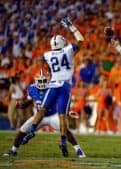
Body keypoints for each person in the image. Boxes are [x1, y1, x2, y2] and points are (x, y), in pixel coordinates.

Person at [21, 18, 84, 157]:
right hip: (64, 87)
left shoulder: (47, 55)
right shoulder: (68, 50)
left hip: (53, 85)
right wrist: (72, 27)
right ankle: (62, 141)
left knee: (42, 109)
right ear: (63, 43)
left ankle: (31, 131)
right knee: (62, 116)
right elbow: (81, 41)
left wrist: (50, 69)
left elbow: (43, 63)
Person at [3, 70, 85, 157]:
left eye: (44, 81)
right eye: (40, 81)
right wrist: (23, 104)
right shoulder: (32, 88)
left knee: (65, 130)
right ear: (36, 80)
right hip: (38, 116)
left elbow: (62, 102)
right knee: (22, 130)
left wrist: (68, 111)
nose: (42, 83)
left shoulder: (53, 88)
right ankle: (13, 150)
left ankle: (78, 149)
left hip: (52, 115)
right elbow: (30, 100)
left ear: (48, 80)